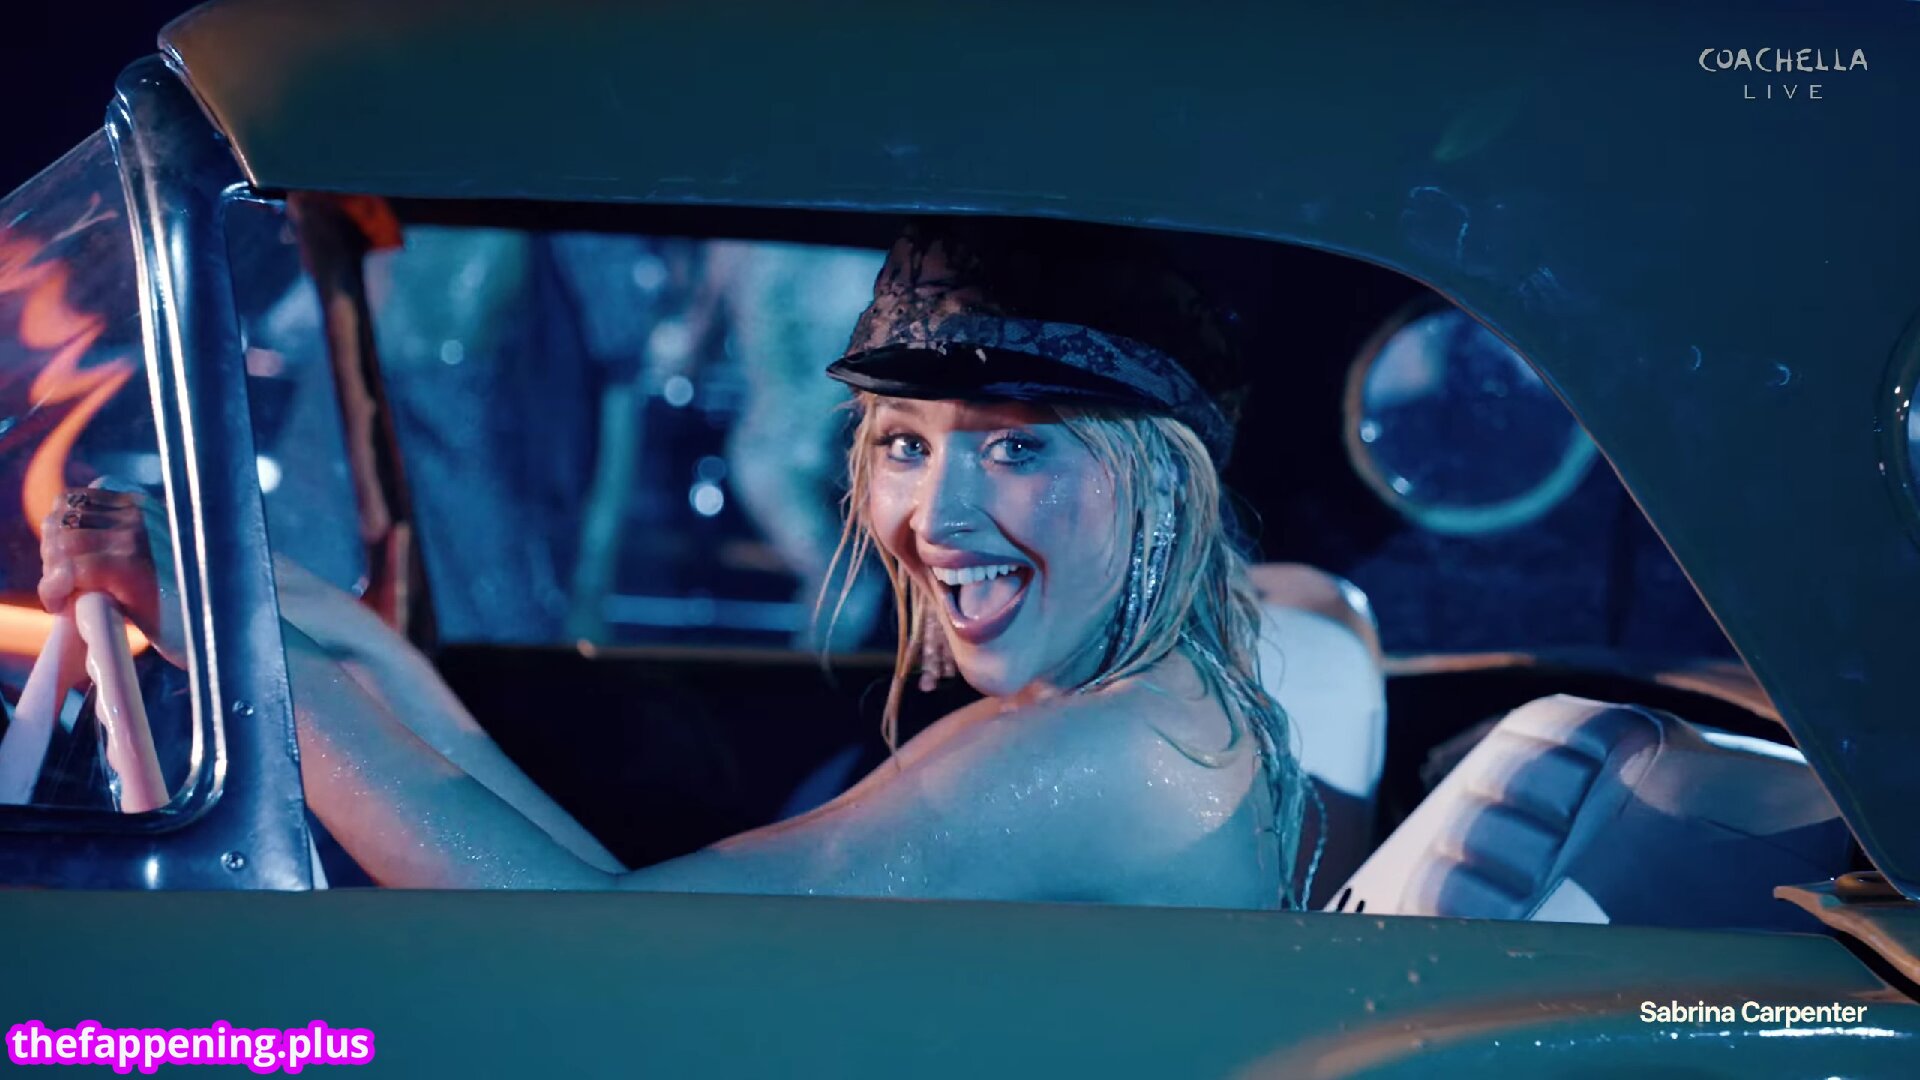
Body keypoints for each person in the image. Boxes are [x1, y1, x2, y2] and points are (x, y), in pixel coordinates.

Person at [36, 218, 1313, 909]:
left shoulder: (1100, 756)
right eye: (906, 445)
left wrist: (254, 664)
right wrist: (335, 637)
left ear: (1165, 479)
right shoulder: (1111, 711)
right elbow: (627, 908)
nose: (936, 515)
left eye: (1020, 446)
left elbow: (598, 962)